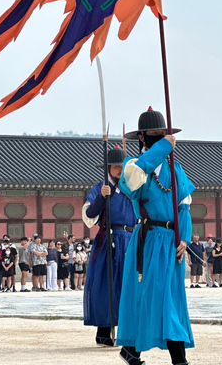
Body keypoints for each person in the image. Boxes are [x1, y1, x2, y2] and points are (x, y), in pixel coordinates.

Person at [117, 107, 194, 365]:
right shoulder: (132, 167)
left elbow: (184, 204)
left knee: (169, 297)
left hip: (171, 243)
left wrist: (184, 238)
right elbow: (133, 184)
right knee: (149, 293)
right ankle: (137, 348)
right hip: (148, 240)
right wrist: (162, 147)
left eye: (164, 133)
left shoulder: (175, 168)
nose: (161, 137)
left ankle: (145, 352)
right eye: (154, 134)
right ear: (142, 138)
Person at [82, 146, 135, 345]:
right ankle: (104, 331)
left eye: (123, 167)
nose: (120, 170)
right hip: (109, 241)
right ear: (109, 168)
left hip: (130, 240)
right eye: (116, 167)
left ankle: (127, 331)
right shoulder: (100, 187)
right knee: (106, 286)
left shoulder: (132, 188)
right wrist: (102, 197)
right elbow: (89, 215)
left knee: (128, 286)